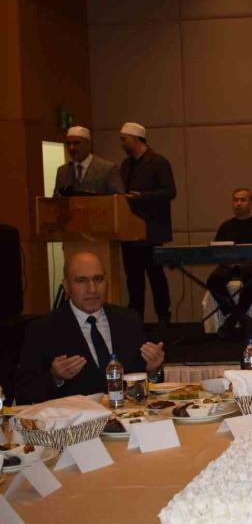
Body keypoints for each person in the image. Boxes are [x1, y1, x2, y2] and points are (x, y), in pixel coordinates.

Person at [16, 252, 165, 404]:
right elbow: (24, 393)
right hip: (74, 417)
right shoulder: (43, 329)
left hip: (127, 414)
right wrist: (55, 377)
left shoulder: (128, 321)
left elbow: (144, 385)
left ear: (107, 281)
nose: (92, 289)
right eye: (81, 281)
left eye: (98, 279)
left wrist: (153, 370)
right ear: (66, 286)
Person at [119, 122, 176, 326]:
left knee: (155, 276)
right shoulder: (126, 165)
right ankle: (136, 319)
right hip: (129, 231)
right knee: (133, 279)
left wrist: (142, 196)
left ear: (136, 139)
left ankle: (163, 317)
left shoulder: (158, 162)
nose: (122, 143)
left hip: (151, 230)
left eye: (124, 139)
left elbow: (170, 191)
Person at [206, 188, 252, 337]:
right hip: (228, 266)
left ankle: (232, 319)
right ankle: (239, 317)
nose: (238, 203)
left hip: (251, 267)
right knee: (213, 280)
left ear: (251, 204)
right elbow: (216, 252)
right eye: (235, 200)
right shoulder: (225, 226)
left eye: (243, 200)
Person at [53, 126, 123, 196]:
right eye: (68, 144)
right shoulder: (63, 172)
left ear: (88, 144)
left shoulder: (107, 170)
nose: (71, 148)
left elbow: (119, 199)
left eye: (76, 143)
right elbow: (56, 199)